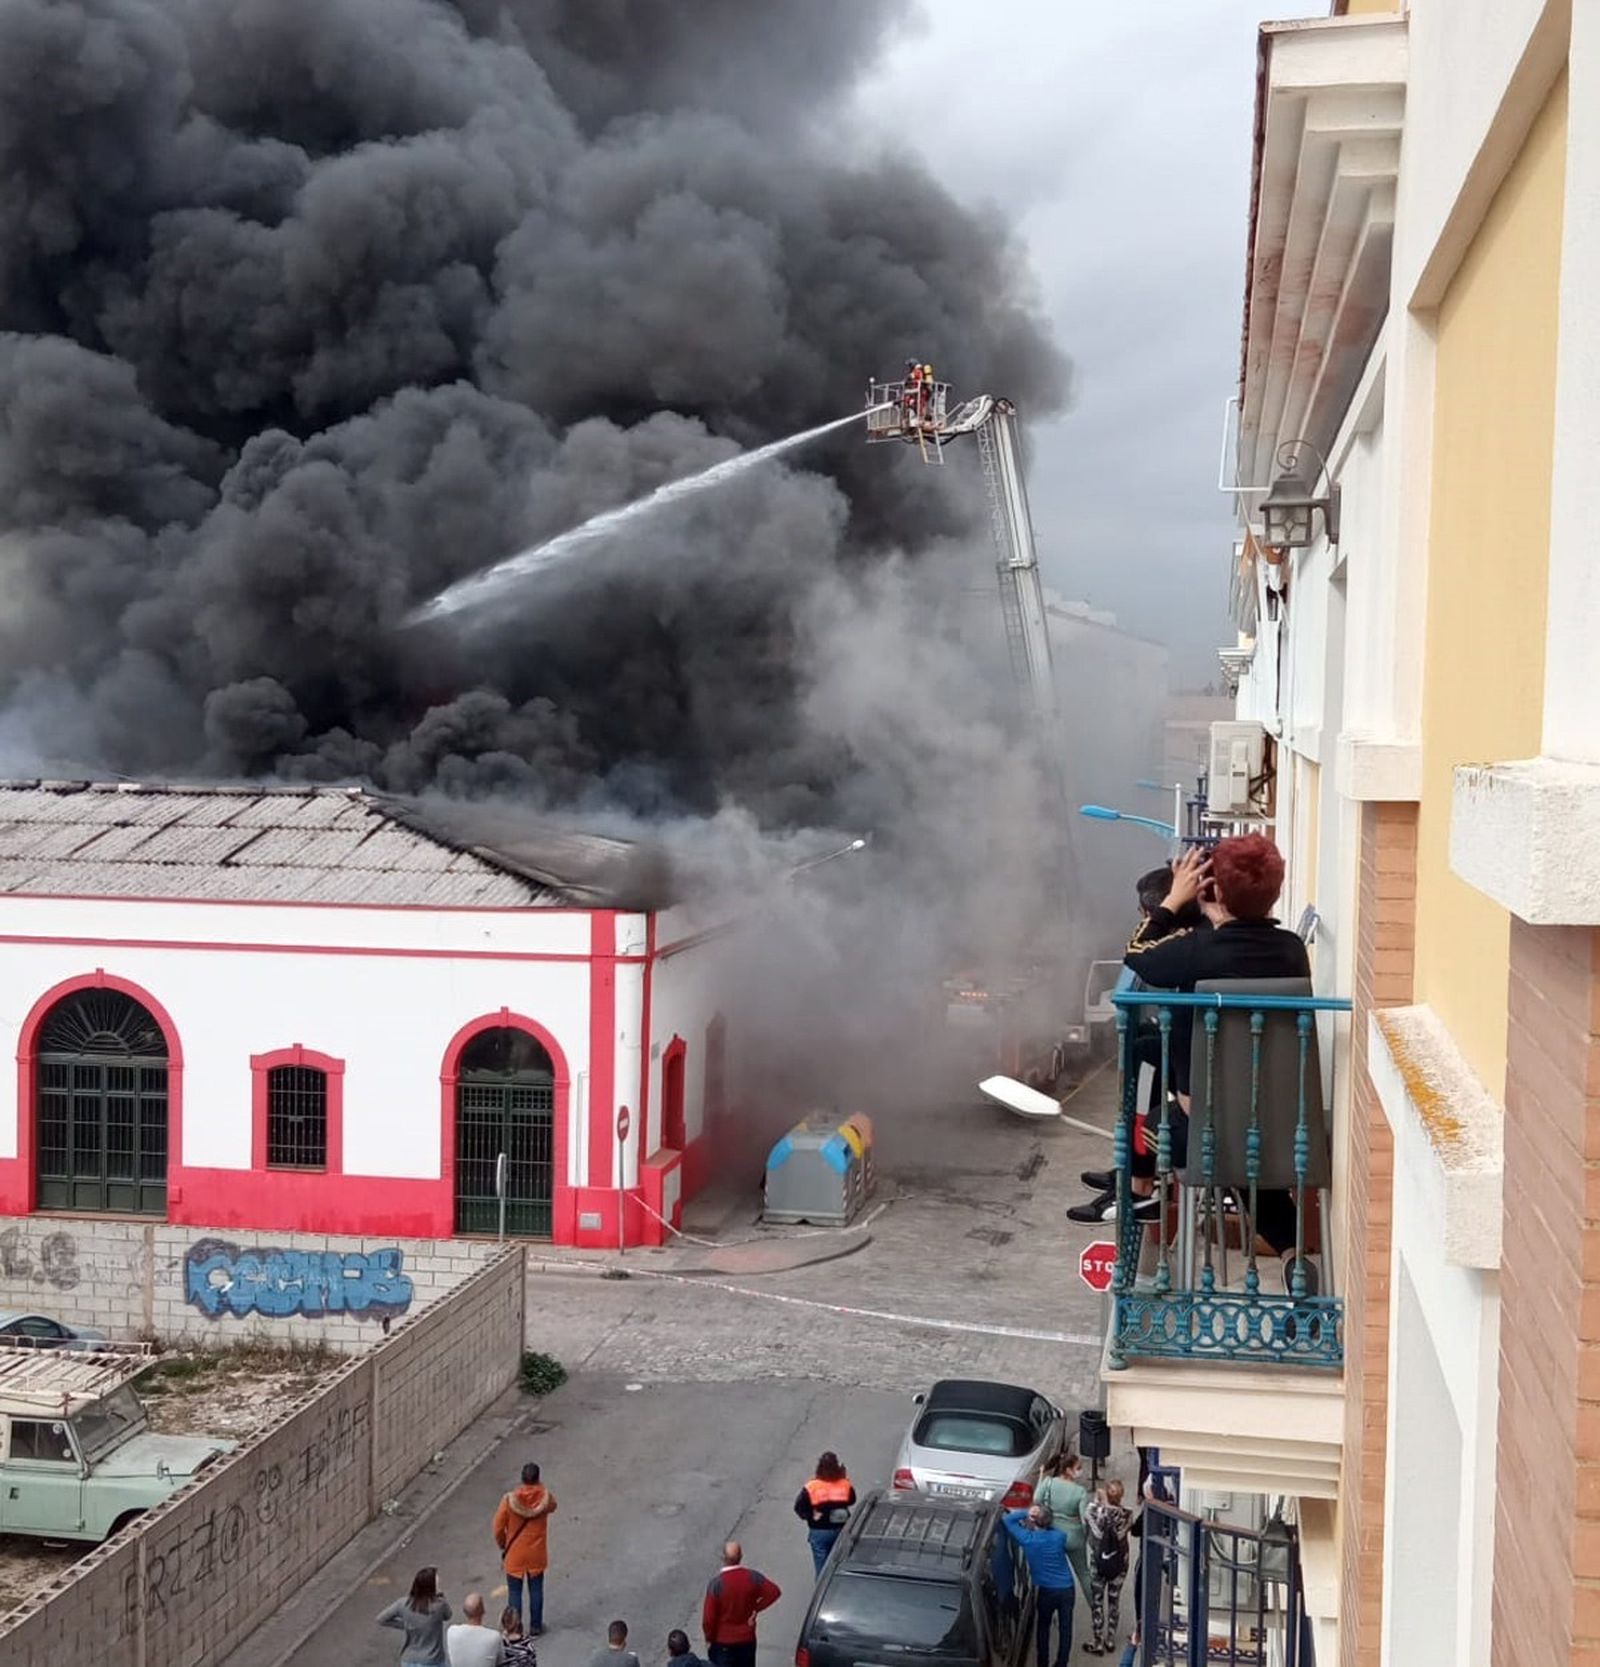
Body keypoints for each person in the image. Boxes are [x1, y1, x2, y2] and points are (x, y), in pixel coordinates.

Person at [1122, 835, 1313, 1268]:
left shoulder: (1199, 951)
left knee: (1158, 1127)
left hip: (1213, 1129)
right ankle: (1291, 1255)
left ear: (1215, 890)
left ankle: (1137, 1198)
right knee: (1247, 1162)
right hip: (1283, 1123)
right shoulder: (1292, 950)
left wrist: (1173, 901)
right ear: (1276, 893)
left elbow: (1137, 955)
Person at [1000, 1503, 1075, 1667]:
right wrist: (1040, 1517)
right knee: (1065, 1629)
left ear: (1034, 1522)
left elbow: (1007, 1520)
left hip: (1046, 1590)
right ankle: (1062, 1663)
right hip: (1067, 1588)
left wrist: (1027, 1512)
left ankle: (1043, 1663)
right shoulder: (1059, 1537)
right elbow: (1054, 1528)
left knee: (1043, 1627)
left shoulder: (1028, 1540)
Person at [492, 1462, 557, 1637]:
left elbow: (498, 1527)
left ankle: (515, 1628)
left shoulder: (509, 1500)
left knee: (514, 1592)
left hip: (515, 1554)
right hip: (536, 1553)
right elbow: (553, 1506)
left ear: (522, 1478)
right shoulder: (545, 1497)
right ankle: (536, 1626)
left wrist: (503, 1544)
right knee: (536, 1590)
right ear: (538, 1478)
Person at [702, 1540, 781, 1667]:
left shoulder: (716, 1584)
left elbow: (708, 1619)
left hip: (722, 1642)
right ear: (741, 1557)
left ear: (723, 1558)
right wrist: (756, 1608)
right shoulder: (752, 1577)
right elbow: (774, 1591)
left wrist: (709, 1638)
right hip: (747, 1639)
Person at [1083, 1481, 1133, 1655]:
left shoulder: (1094, 1511)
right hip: (1119, 1563)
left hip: (1098, 1563)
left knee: (1097, 1601)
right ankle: (1110, 1639)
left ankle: (1097, 1639)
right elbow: (1120, 1529)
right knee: (1114, 1600)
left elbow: (1093, 1527)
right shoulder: (1127, 1514)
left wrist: (1101, 1502)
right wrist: (1107, 1503)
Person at [1034, 1451, 1090, 1599]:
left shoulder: (1049, 1483)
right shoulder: (1080, 1492)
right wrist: (1086, 1537)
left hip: (1053, 1534)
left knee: (1052, 1573)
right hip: (1074, 1538)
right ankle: (1096, 1610)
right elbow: (1085, 1520)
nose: (1080, 1471)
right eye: (1078, 1467)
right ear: (1068, 1470)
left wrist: (1041, 1477)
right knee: (1084, 1573)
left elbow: (1036, 1499)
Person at [793, 1450, 856, 1575]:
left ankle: (822, 1590)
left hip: (819, 1531)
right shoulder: (844, 1484)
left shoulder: (811, 1486)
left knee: (821, 1567)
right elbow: (852, 1500)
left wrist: (811, 1515)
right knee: (839, 1560)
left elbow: (799, 1508)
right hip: (841, 1529)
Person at [377, 1567, 453, 1667]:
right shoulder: (439, 1605)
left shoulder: (403, 1603)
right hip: (432, 1660)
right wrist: (440, 1594)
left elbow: (381, 1619)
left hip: (409, 1659)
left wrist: (405, 1625)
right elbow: (448, 1615)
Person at [447, 1593, 506, 1667]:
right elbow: (501, 1660)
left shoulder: (451, 1631)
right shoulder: (494, 1637)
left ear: (464, 1611)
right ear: (483, 1611)